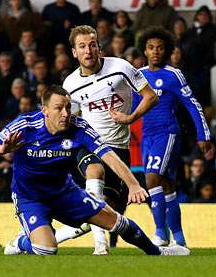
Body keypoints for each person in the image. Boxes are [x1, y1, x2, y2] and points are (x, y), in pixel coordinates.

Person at [0, 85, 188, 256]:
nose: (66, 113)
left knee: (118, 222)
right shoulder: (26, 125)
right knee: (46, 249)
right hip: (30, 197)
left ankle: (158, 251)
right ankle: (21, 241)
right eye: (59, 108)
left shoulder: (79, 127)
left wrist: (133, 184)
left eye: (69, 107)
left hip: (64, 193)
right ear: (45, 111)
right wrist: (2, 149)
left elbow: (109, 156)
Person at [55, 25, 158, 254]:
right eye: (82, 46)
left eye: (92, 45)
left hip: (119, 149)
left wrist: (130, 117)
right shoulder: (70, 85)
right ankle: (100, 247)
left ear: (99, 47)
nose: (88, 50)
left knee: (103, 214)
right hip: (90, 144)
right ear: (74, 52)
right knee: (94, 169)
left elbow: (151, 96)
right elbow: (70, 120)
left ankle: (32, 240)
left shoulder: (121, 68)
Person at [137, 27, 213, 246]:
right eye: (151, 48)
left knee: (151, 178)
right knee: (167, 184)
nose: (156, 52)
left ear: (167, 51)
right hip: (147, 135)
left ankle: (160, 233)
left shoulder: (173, 75)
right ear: (145, 50)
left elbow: (193, 104)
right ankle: (178, 238)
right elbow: (133, 104)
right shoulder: (138, 76)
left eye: (160, 48)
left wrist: (203, 134)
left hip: (167, 132)